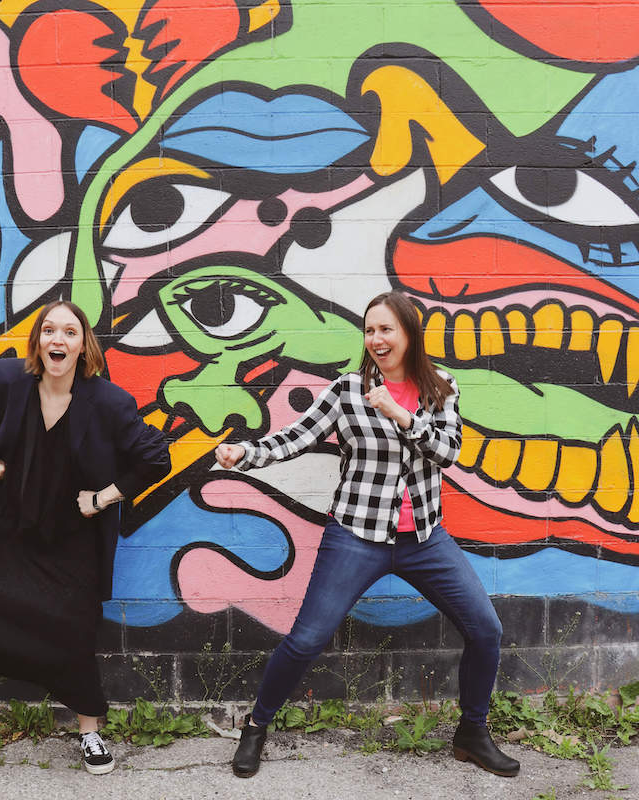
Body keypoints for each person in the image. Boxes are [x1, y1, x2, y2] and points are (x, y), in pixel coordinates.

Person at [216, 290, 519, 779]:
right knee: (306, 639)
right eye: (370, 330)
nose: (376, 339)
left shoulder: (442, 387)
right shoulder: (347, 389)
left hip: (423, 538)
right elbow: (298, 436)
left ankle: (472, 733)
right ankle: (256, 725)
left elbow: (448, 452)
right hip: (355, 535)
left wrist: (402, 415)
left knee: (487, 629)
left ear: (409, 334)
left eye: (386, 329)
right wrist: (245, 454)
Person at [0, 300, 171, 774]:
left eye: (70, 332)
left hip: (72, 537)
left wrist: (103, 498)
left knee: (72, 633)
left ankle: (90, 731)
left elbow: (155, 459)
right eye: (49, 331)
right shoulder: (5, 379)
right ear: (37, 340)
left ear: (84, 346)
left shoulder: (109, 402)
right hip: (8, 527)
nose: (58, 340)